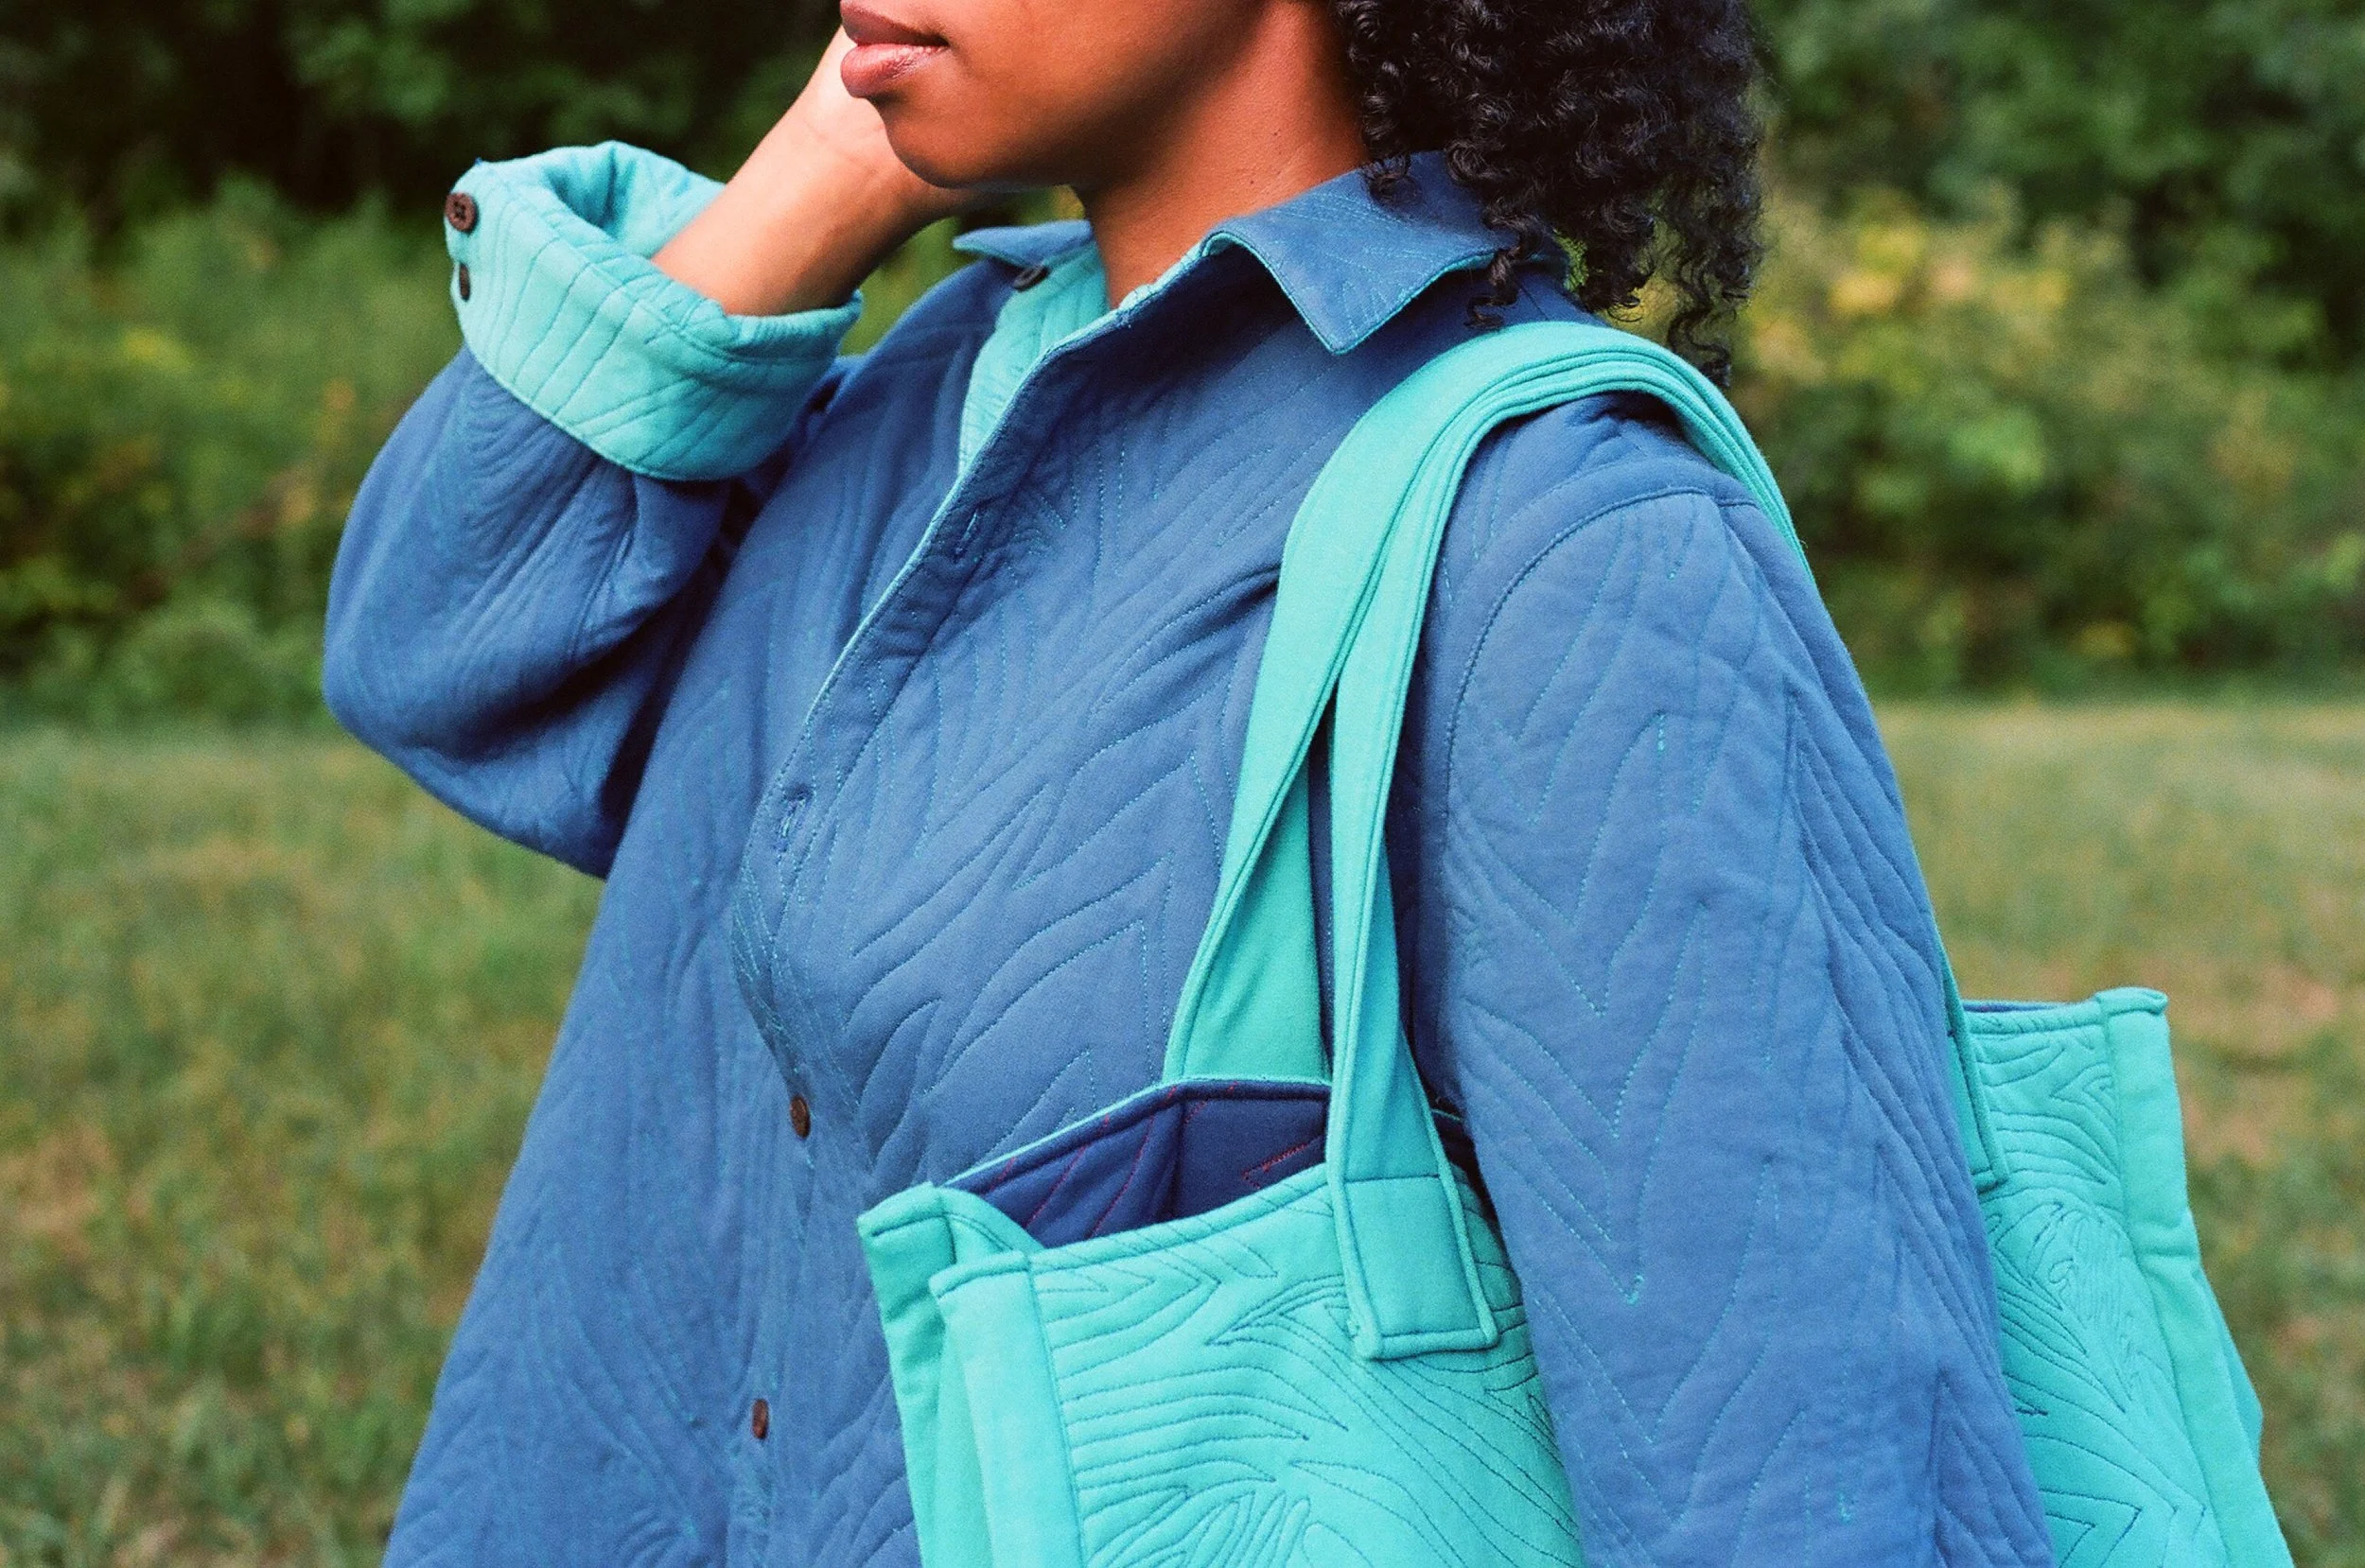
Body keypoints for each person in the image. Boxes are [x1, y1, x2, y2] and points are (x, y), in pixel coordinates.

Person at [324, 0, 2057, 1562]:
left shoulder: (1568, 547)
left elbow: (1789, 1463)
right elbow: (435, 650)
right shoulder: (937, 393)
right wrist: (824, 172)